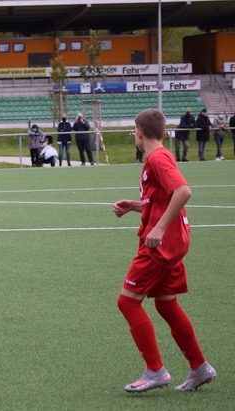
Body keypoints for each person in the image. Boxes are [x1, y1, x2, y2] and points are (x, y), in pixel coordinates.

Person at [113, 108, 216, 393]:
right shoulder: (162, 155)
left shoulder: (157, 158)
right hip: (173, 244)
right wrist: (135, 206)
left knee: (127, 302)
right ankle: (200, 367)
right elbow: (162, 198)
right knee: (166, 303)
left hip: (160, 245)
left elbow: (183, 191)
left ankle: (155, 370)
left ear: (139, 133)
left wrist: (157, 229)